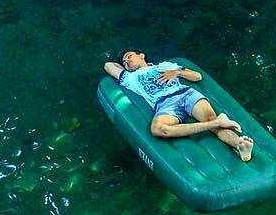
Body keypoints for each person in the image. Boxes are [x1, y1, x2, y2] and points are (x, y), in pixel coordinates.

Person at [103, 51, 255, 161]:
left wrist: (176, 72)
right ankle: (218, 122)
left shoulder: (165, 65)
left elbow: (197, 76)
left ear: (141, 55)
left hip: (185, 93)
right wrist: (126, 65)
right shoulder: (129, 78)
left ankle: (240, 145)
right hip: (164, 104)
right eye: (124, 62)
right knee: (158, 129)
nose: (126, 61)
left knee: (210, 116)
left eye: (129, 56)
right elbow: (108, 65)